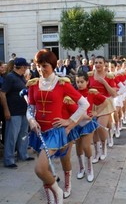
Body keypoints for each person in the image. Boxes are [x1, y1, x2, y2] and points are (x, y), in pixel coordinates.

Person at [26, 49, 89, 203]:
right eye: (38, 65)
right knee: (44, 169)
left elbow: (84, 104)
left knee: (48, 166)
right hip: (39, 132)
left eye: (45, 65)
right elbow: (30, 108)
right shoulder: (34, 85)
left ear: (53, 65)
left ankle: (60, 189)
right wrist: (31, 120)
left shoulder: (62, 84)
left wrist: (70, 121)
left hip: (56, 132)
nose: (41, 69)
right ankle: (51, 197)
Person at [0, 58, 35, 169]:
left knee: (23, 134)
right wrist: (6, 110)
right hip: (13, 111)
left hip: (23, 110)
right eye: (25, 67)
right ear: (22, 67)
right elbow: (2, 94)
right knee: (12, 136)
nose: (26, 69)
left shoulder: (21, 77)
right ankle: (9, 160)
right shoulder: (10, 77)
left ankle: (23, 155)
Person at [75, 71, 107, 182]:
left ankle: (89, 168)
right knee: (78, 147)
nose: (79, 84)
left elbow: (105, 102)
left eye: (82, 82)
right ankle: (81, 168)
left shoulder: (91, 93)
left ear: (87, 82)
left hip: (88, 123)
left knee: (86, 146)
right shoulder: (73, 93)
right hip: (76, 123)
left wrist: (96, 112)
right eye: (77, 82)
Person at [87, 56, 117, 163]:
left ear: (105, 64)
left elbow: (113, 94)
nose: (98, 64)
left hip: (105, 104)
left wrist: (104, 82)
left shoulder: (109, 76)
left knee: (100, 127)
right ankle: (96, 152)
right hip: (93, 105)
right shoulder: (89, 76)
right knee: (93, 130)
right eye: (96, 62)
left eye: (100, 62)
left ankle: (104, 146)